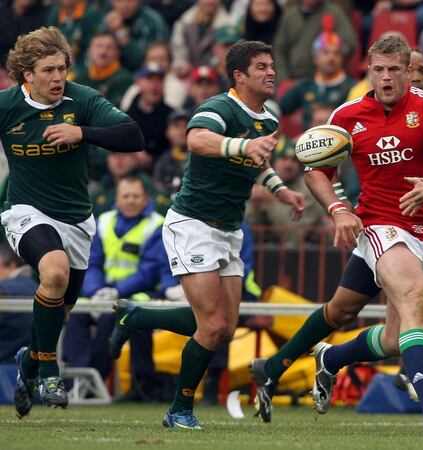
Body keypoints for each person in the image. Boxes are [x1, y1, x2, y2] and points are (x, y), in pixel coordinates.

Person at [107, 39, 304, 430]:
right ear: (239, 76)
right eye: (262, 67)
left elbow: (256, 163)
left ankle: (138, 317)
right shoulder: (218, 108)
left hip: (229, 229)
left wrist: (282, 190)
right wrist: (243, 145)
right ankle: (179, 409)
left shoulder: (268, 119)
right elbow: (197, 139)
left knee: (225, 329)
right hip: (193, 225)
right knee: (211, 325)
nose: (271, 72)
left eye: (271, 65)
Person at [304, 35, 423, 433]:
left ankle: (330, 359)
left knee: (394, 337)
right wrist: (338, 210)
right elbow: (316, 170)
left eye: (394, 70)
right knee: (413, 298)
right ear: (368, 71)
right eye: (378, 70)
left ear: (409, 71)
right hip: (378, 224)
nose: (385, 78)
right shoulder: (348, 115)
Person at [1, 27, 145, 417]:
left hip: (77, 222)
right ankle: (50, 371)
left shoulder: (81, 100)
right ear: (27, 75)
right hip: (24, 212)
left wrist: (81, 132)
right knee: (55, 270)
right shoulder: (7, 106)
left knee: (59, 313)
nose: (58, 77)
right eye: (48, 70)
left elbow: (134, 136)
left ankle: (29, 362)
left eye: (62, 68)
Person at [62, 175, 174, 391]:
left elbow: (149, 271)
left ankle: (93, 380)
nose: (130, 200)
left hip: (138, 293)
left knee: (109, 318)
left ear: (145, 198)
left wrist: (115, 292)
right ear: (118, 198)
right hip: (101, 292)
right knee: (76, 313)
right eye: (126, 196)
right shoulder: (102, 221)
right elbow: (90, 262)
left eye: (136, 196)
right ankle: (75, 378)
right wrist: (96, 291)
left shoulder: (157, 225)